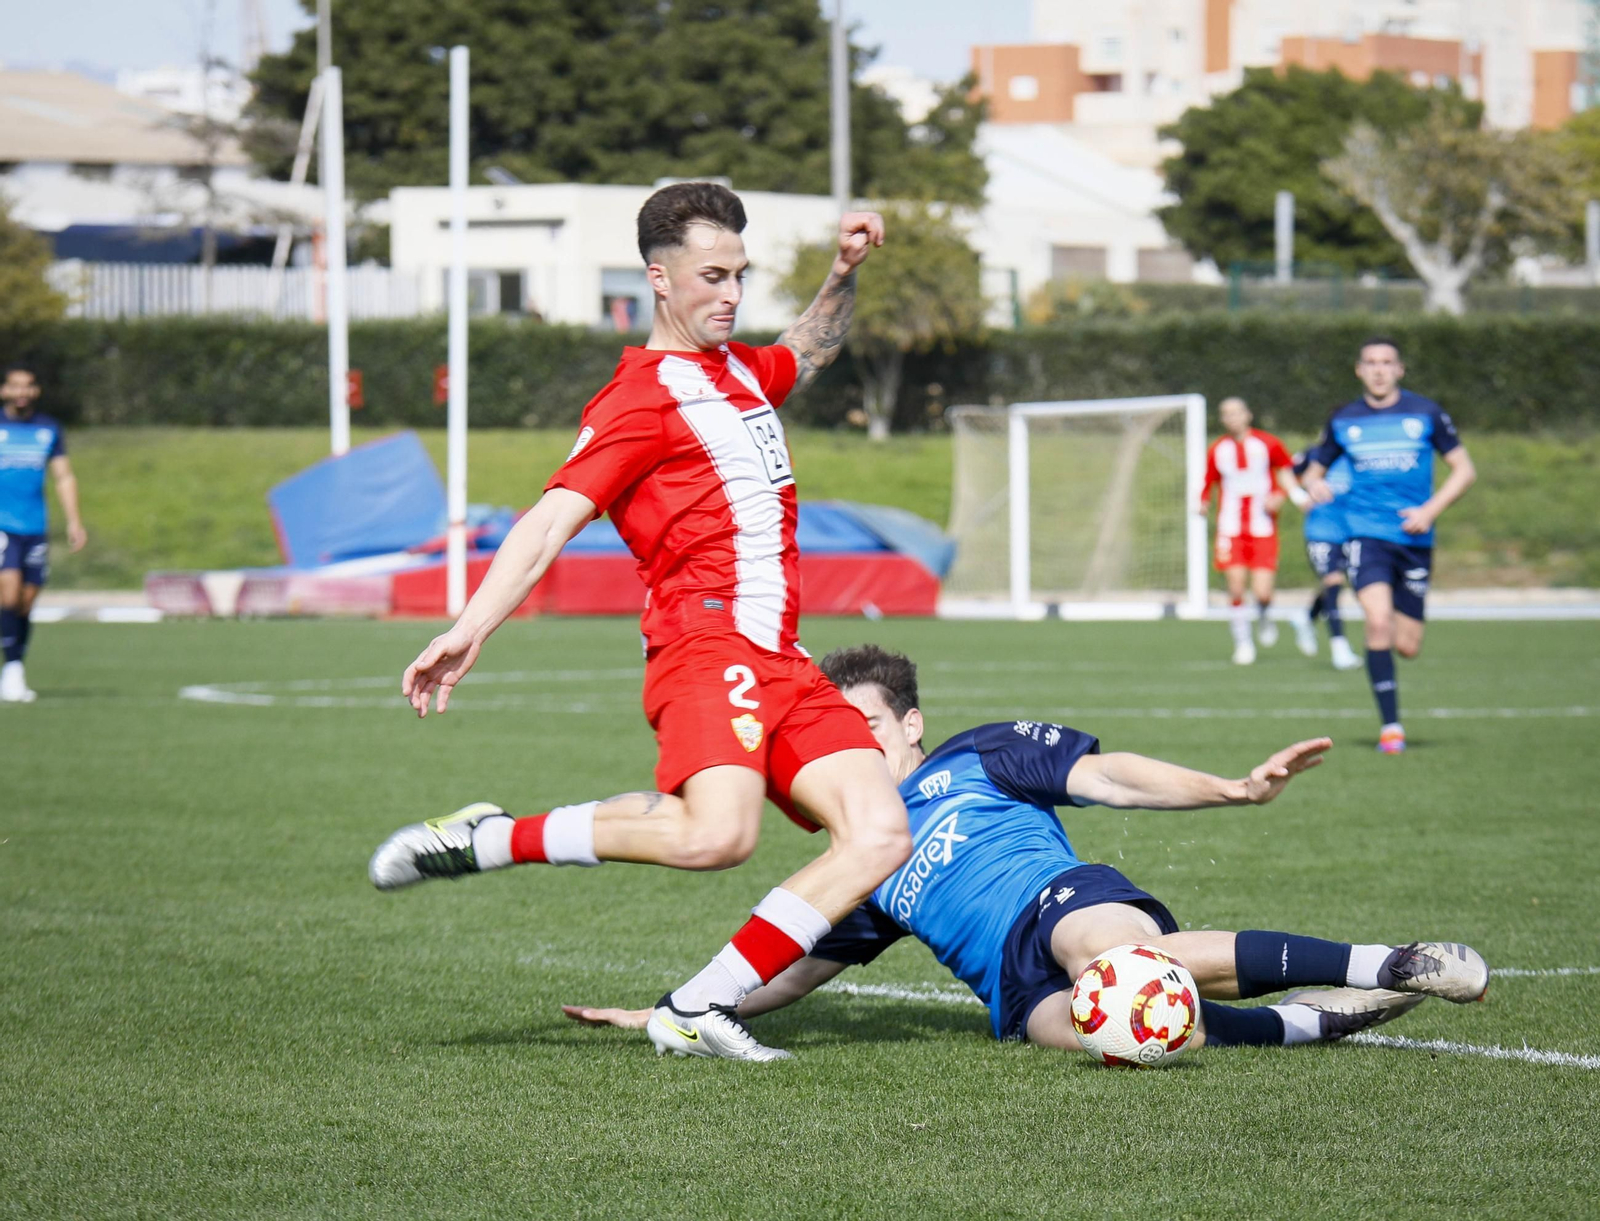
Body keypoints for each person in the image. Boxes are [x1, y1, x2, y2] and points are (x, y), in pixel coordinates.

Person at [368, 183, 913, 1062]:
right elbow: (550, 518)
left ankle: (700, 1005)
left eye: (740, 274)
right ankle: (491, 836)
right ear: (659, 279)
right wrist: (470, 625)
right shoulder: (640, 395)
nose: (730, 293)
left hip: (783, 653)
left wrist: (844, 271)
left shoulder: (738, 372)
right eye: (711, 275)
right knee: (717, 836)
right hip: (708, 643)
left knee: (882, 830)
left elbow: (808, 350)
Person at [565, 645, 1490, 1058]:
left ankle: (1396, 961)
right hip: (1012, 990)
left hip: (1060, 899)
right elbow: (792, 973)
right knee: (1117, 1032)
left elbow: (1111, 775)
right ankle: (1312, 1021)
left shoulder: (977, 754)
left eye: (867, 724)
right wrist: (670, 1008)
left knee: (1114, 962)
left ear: (911, 723)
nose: (849, 743)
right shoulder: (857, 857)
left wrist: (1233, 787)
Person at [1300, 338, 1476, 754]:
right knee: (1377, 621)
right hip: (1365, 535)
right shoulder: (1345, 420)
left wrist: (1430, 511)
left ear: (1400, 370)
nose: (1379, 370)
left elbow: (1464, 470)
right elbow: (1312, 471)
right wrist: (1315, 483)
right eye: (1371, 363)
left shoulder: (1426, 413)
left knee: (1407, 645)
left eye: (1387, 363)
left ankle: (1394, 661)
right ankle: (1391, 728)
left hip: (1415, 539)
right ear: (1358, 370)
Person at [1197, 397, 1310, 665]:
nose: (1232, 418)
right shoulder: (1217, 449)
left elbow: (1287, 470)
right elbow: (1208, 479)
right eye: (1226, 414)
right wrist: (1203, 501)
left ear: (1248, 414)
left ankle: (1263, 615)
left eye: (1236, 412)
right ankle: (1243, 642)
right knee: (1236, 587)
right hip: (1230, 527)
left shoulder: (1267, 443)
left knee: (1262, 592)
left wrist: (1285, 494)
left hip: (1262, 526)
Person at [1, 364, 87, 704]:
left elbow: (64, 477)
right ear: (5, 390)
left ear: (35, 391)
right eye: (14, 386)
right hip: (2, 525)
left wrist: (74, 521)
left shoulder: (48, 429)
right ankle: (12, 671)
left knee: (25, 601)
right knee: (7, 592)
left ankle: (15, 664)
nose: (21, 392)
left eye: (28, 386)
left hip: (34, 526)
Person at [1291, 450, 1362, 671]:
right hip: (1320, 532)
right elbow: (1285, 470)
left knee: (1335, 584)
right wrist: (1298, 496)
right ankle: (1339, 649)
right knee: (1334, 582)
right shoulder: (1314, 454)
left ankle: (1307, 617)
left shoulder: (1357, 453)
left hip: (1350, 531)